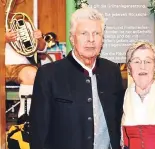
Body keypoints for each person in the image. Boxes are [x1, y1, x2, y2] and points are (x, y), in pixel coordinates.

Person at [29, 6, 124, 149]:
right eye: (84, 33)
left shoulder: (112, 71)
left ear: (102, 40)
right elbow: (38, 135)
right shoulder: (49, 75)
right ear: (72, 39)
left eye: (96, 33)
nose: (91, 40)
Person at [5, 25, 46, 118]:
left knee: (32, 74)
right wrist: (3, 39)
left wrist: (39, 39)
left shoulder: (22, 24)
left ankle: (25, 117)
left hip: (21, 66)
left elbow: (42, 48)